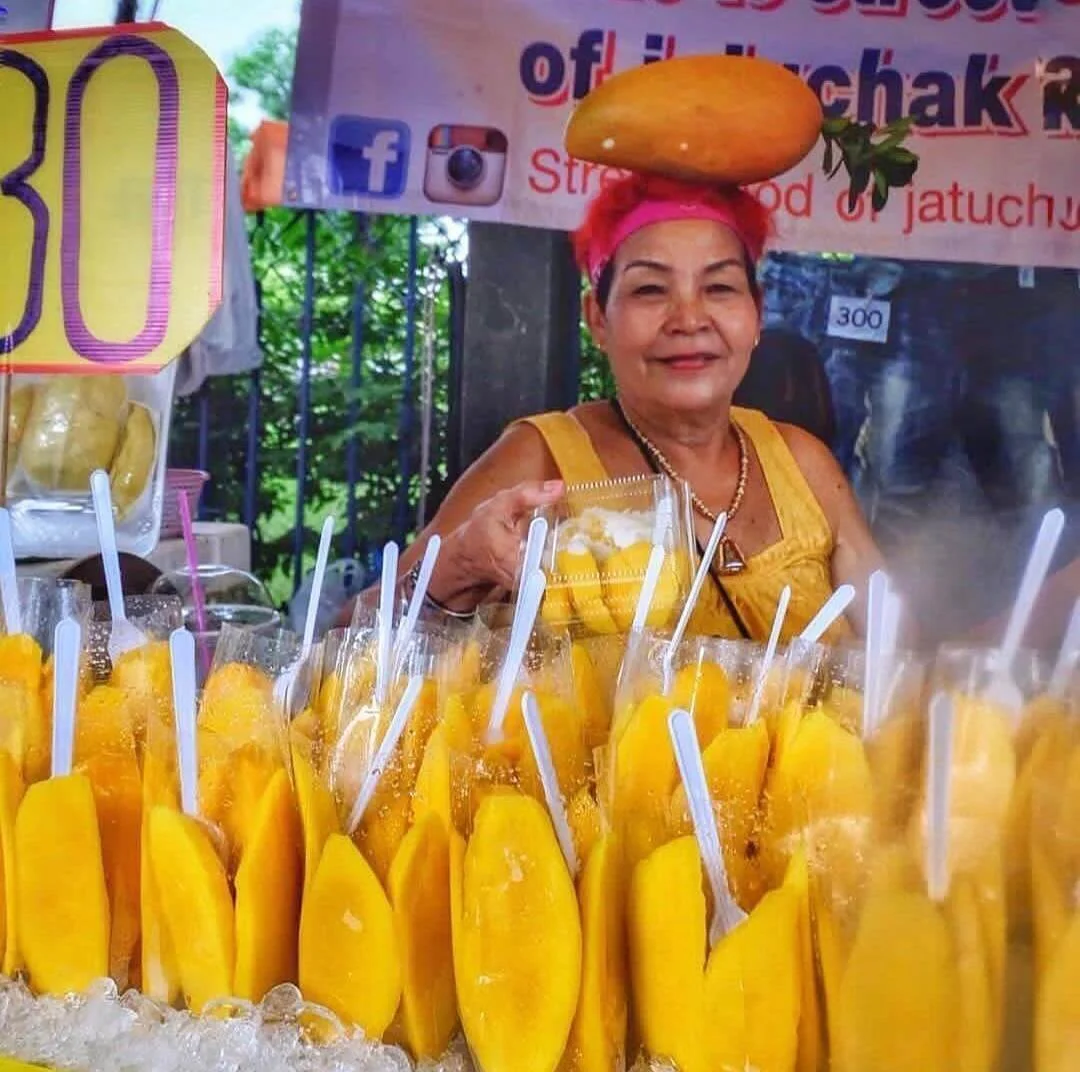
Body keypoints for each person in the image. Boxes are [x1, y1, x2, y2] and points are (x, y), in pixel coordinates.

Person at [345, 173, 886, 641]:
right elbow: (346, 640)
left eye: (720, 287)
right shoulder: (538, 462)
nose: (689, 319)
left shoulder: (803, 464)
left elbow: (899, 650)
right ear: (598, 319)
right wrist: (457, 571)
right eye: (650, 290)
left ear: (757, 312)